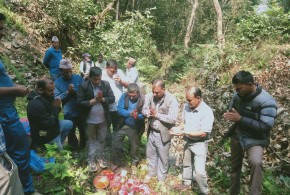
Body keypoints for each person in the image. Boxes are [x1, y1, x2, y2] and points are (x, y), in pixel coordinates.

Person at [223, 71, 277, 195]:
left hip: (256, 138)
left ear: (250, 84)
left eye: (240, 88)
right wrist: (229, 114)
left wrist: (240, 119)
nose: (237, 91)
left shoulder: (267, 101)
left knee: (256, 163)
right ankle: (233, 192)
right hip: (238, 135)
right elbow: (232, 109)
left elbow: (265, 126)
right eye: (236, 88)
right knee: (235, 167)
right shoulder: (238, 96)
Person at [0, 12, 35, 194]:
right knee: (20, 152)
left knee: (13, 152)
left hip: (7, 110)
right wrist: (14, 90)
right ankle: (27, 190)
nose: (2, 33)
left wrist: (13, 86)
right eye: (0, 29)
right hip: (4, 114)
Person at [170, 87, 214, 194]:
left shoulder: (207, 111)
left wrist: (185, 132)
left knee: (199, 172)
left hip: (199, 144)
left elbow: (204, 133)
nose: (187, 103)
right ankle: (186, 184)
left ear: (198, 98)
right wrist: (177, 129)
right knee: (187, 164)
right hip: (187, 140)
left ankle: (204, 191)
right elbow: (183, 122)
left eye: (190, 100)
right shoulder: (186, 106)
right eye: (187, 100)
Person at [77, 67, 115, 172]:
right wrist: (93, 101)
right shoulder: (83, 86)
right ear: (90, 78)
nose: (97, 81)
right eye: (95, 79)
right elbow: (79, 102)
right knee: (91, 141)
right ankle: (91, 159)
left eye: (99, 79)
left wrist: (102, 99)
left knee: (102, 140)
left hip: (103, 120)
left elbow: (112, 98)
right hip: (89, 121)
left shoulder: (105, 84)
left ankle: (100, 156)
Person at [142, 79, 179, 182]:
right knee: (151, 154)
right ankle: (151, 173)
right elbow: (144, 109)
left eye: (157, 92)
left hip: (163, 133)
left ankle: (161, 179)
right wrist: (148, 113)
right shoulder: (150, 96)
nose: (154, 94)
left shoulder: (171, 100)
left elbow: (172, 118)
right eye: (153, 91)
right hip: (152, 130)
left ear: (164, 89)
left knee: (163, 157)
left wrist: (157, 115)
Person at [27, 77, 73, 150]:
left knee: (68, 123)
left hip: (52, 127)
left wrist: (57, 107)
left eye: (53, 90)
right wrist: (55, 108)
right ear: (40, 90)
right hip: (44, 133)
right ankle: (51, 147)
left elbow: (55, 111)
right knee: (60, 154)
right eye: (50, 90)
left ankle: (58, 144)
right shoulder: (36, 104)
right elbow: (48, 124)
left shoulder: (47, 95)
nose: (53, 92)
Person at [112, 83, 145, 168]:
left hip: (135, 126)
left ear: (138, 93)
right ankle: (118, 160)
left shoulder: (143, 99)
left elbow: (145, 114)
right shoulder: (124, 96)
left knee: (134, 146)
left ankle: (134, 162)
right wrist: (129, 113)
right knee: (116, 142)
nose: (131, 97)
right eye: (130, 95)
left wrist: (138, 116)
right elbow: (119, 109)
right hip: (123, 124)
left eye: (133, 96)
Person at [55, 59, 85, 149]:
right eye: (66, 72)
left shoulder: (78, 78)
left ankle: (84, 147)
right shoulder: (57, 82)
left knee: (83, 129)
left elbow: (84, 92)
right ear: (61, 71)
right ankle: (74, 148)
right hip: (69, 111)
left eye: (70, 71)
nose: (68, 74)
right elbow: (56, 98)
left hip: (81, 110)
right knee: (71, 131)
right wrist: (67, 92)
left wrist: (74, 91)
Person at [102, 60, 128, 136]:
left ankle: (116, 145)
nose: (114, 73)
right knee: (106, 127)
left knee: (118, 127)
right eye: (112, 71)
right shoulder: (101, 74)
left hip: (118, 106)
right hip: (106, 106)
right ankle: (107, 145)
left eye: (115, 71)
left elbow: (128, 85)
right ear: (106, 68)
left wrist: (121, 81)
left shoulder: (119, 72)